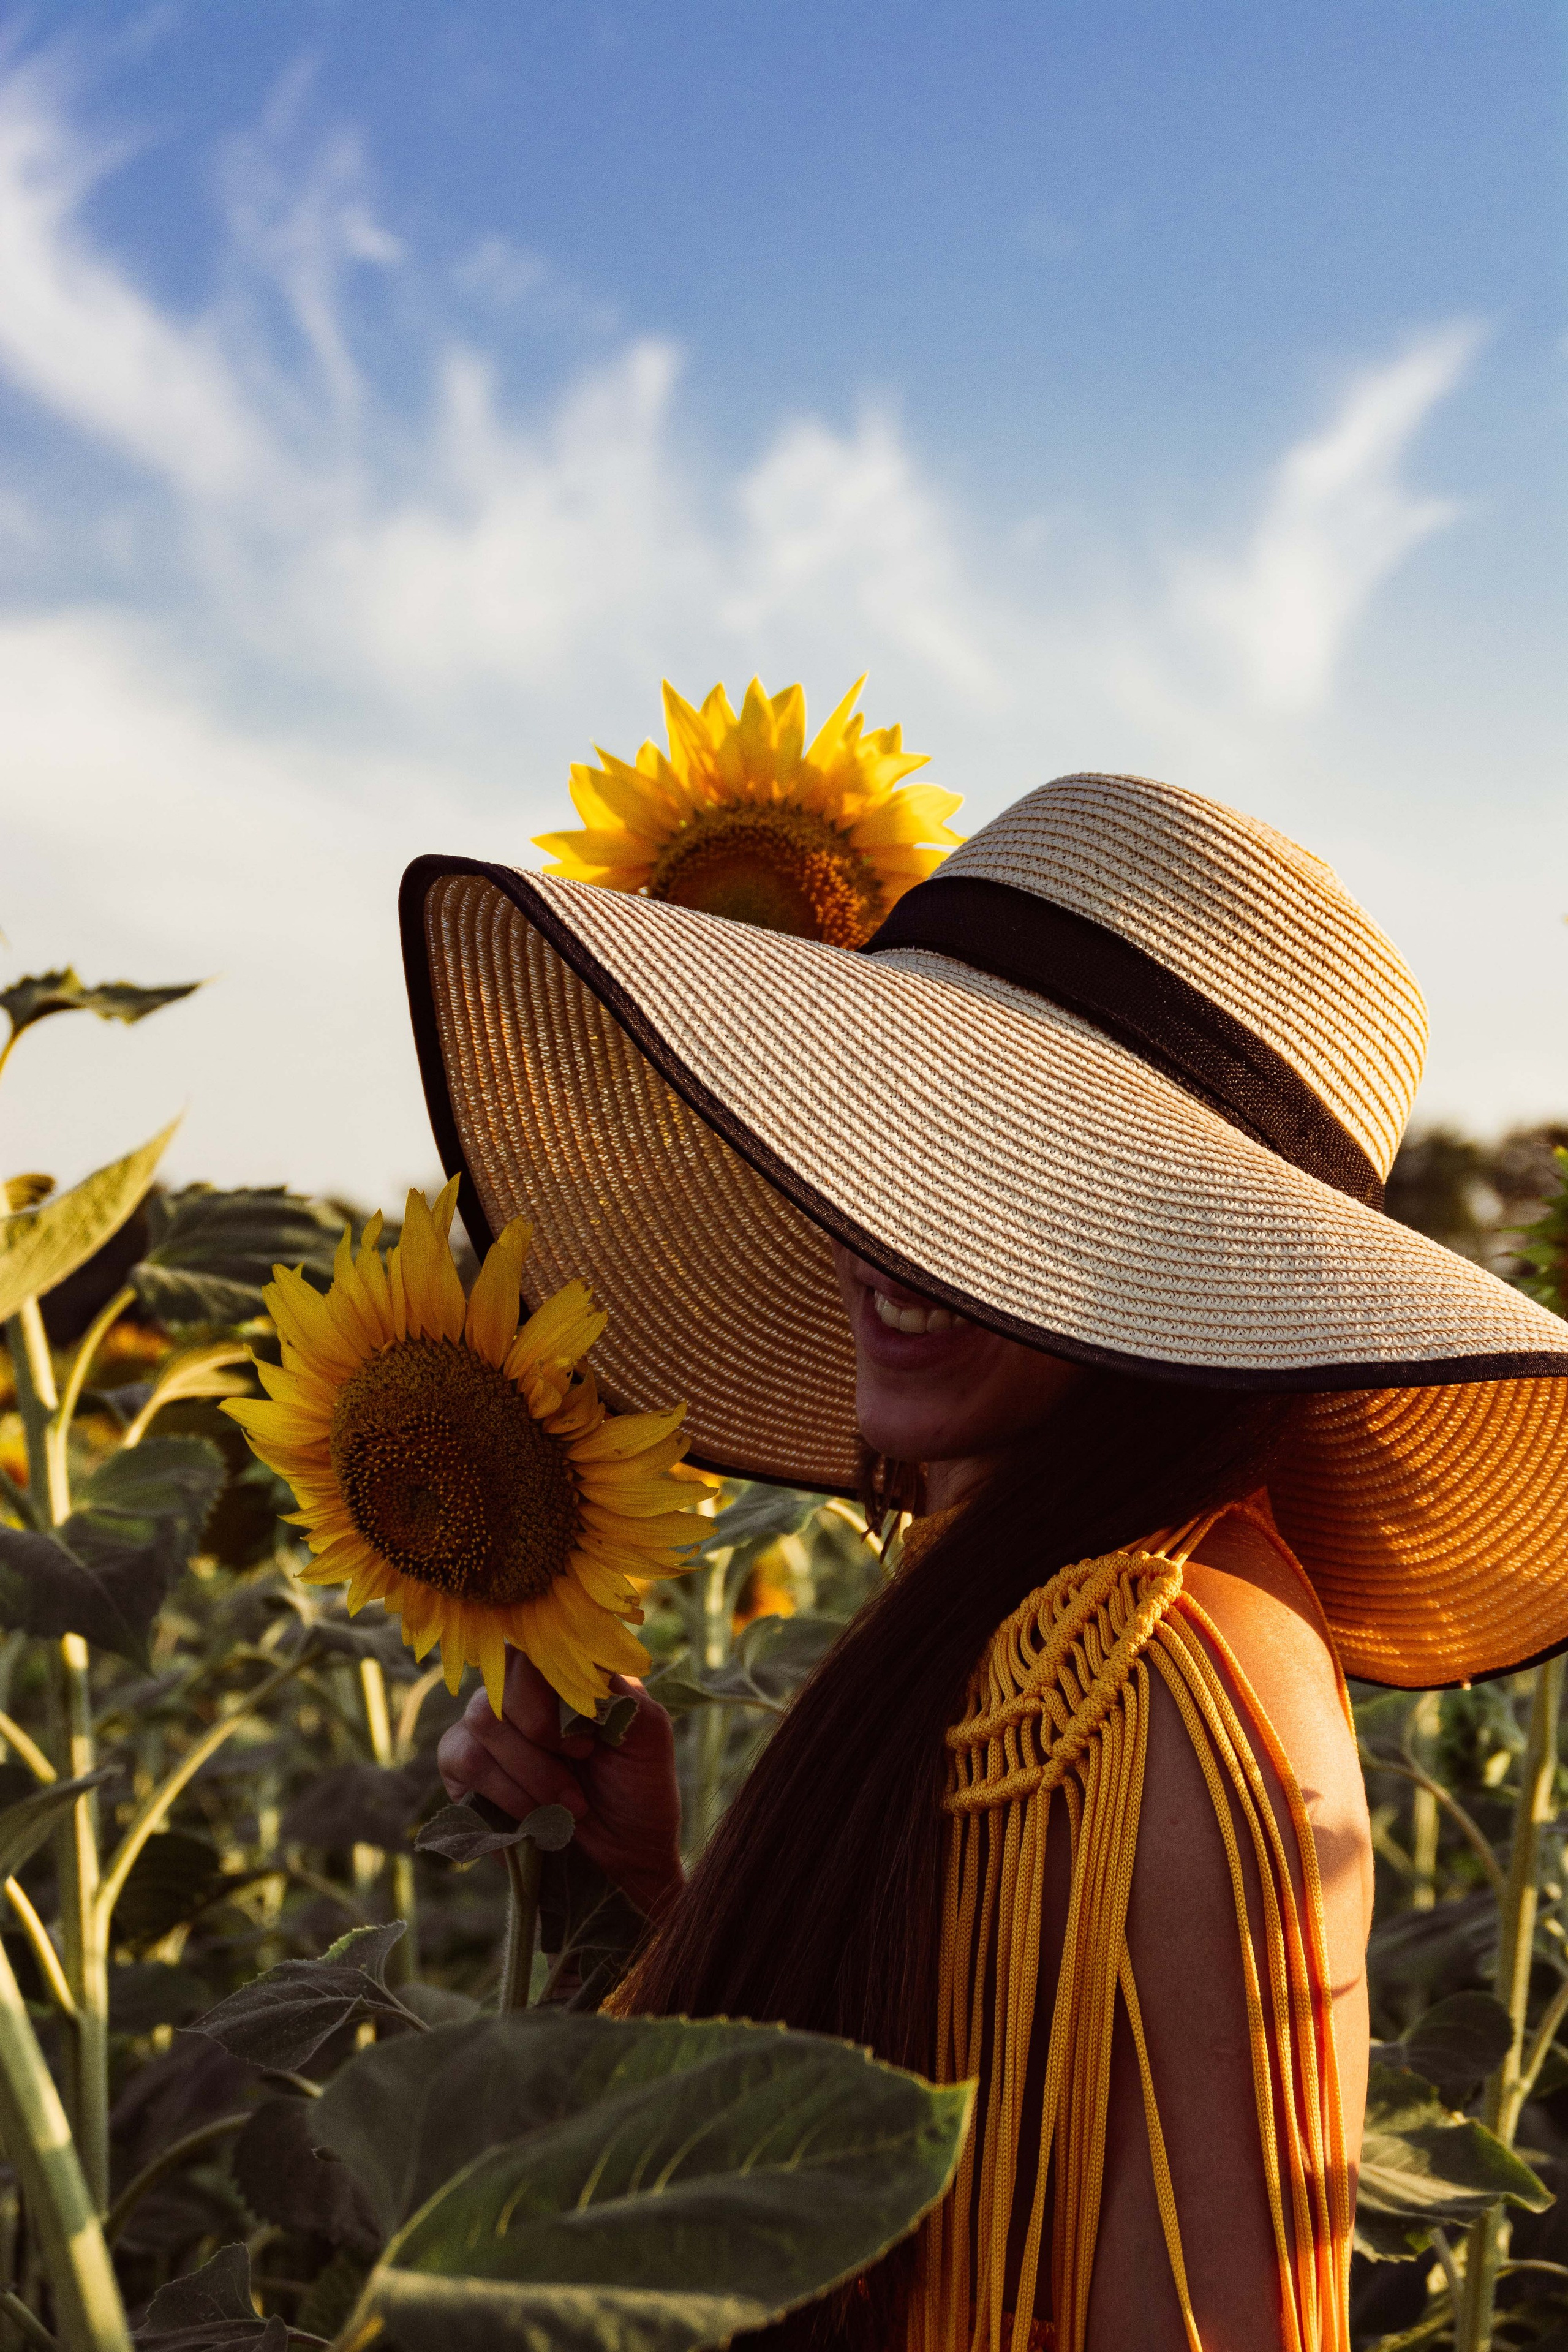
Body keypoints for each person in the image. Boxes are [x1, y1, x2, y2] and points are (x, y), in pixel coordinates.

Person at [408, 768, 1568, 2350]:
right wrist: (657, 1906)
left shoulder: (1155, 1667)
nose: (901, 1240)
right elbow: (940, 2144)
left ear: (1207, 1268)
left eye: (1045, 1189)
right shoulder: (1032, 1600)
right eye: (901, 1142)